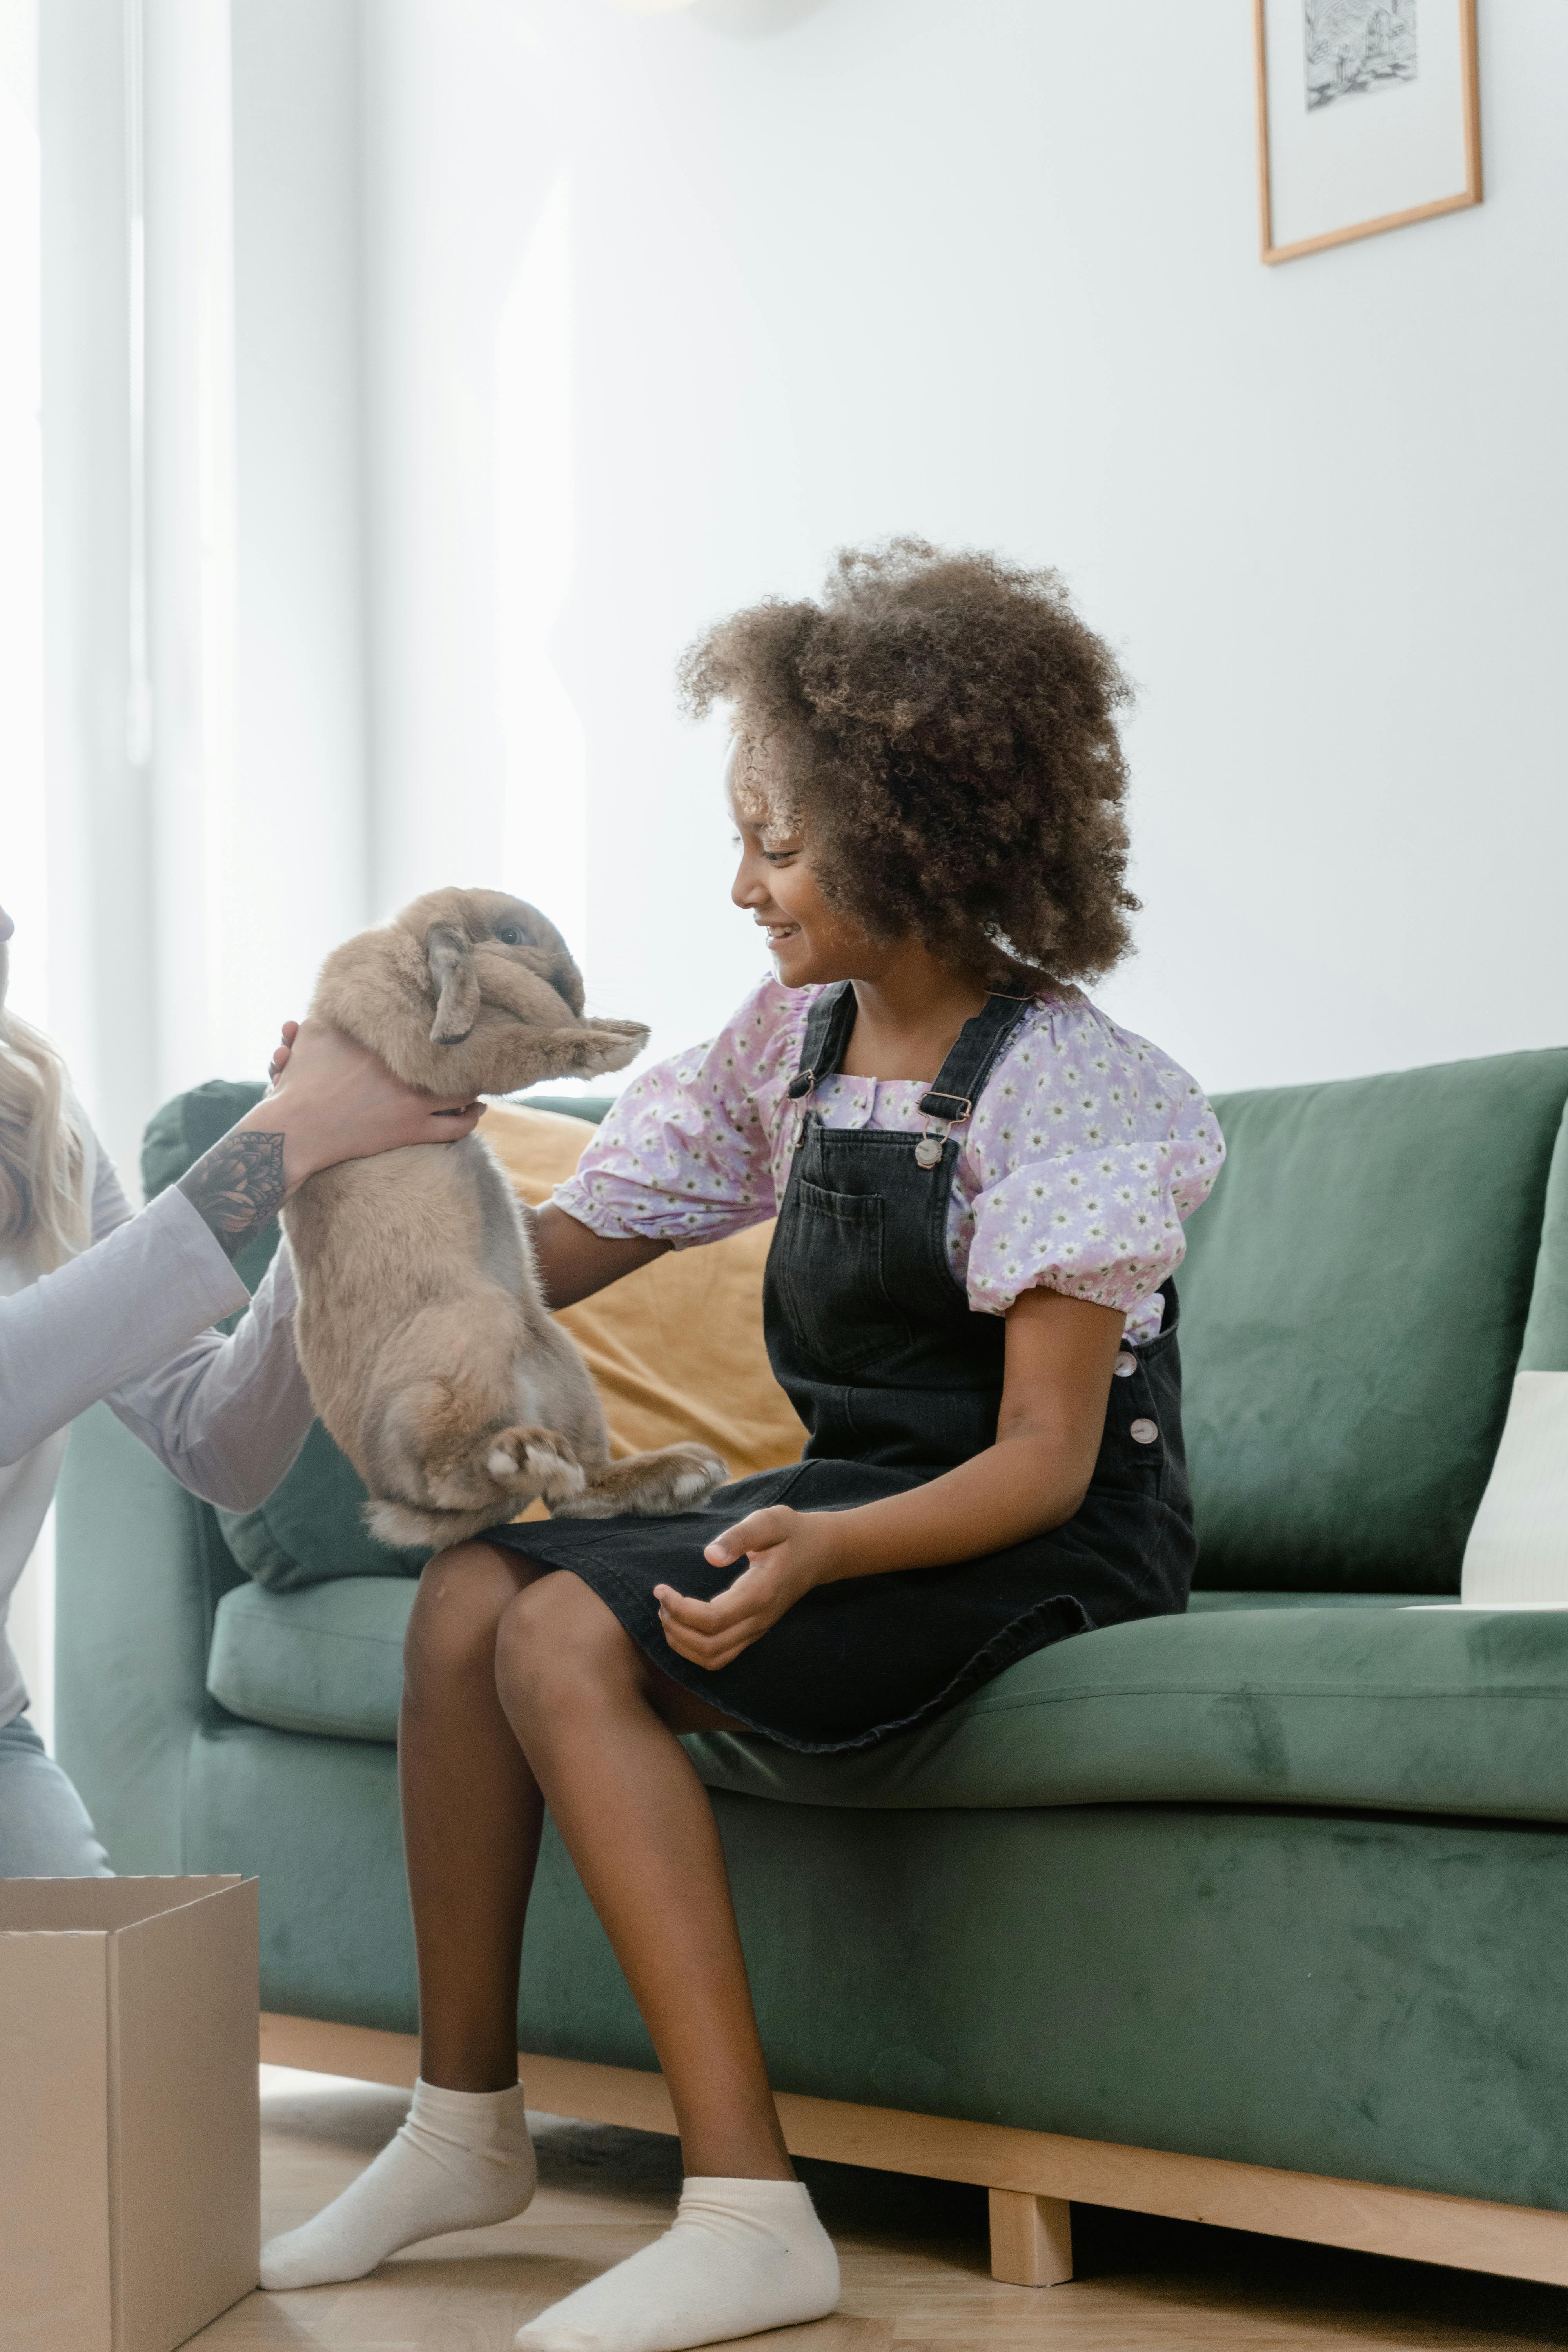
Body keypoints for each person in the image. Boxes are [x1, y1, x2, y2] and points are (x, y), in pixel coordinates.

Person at [259, 541, 1226, 2352]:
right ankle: (461, 2127)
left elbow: (1039, 1460)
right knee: (467, 1587)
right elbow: (555, 1249)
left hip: (1044, 1529)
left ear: (914, 835)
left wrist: (827, 1548)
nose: (740, 884)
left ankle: (747, 2204)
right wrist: (367, 1161)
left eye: (774, 844)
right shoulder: (788, 1045)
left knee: (555, 1625)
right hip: (866, 1500)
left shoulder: (1068, 1087)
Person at [0, 915, 482, 1877]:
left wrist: (328, 1185)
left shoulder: (36, 1118)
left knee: (109, 2021)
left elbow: (220, 1445)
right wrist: (276, 1145)